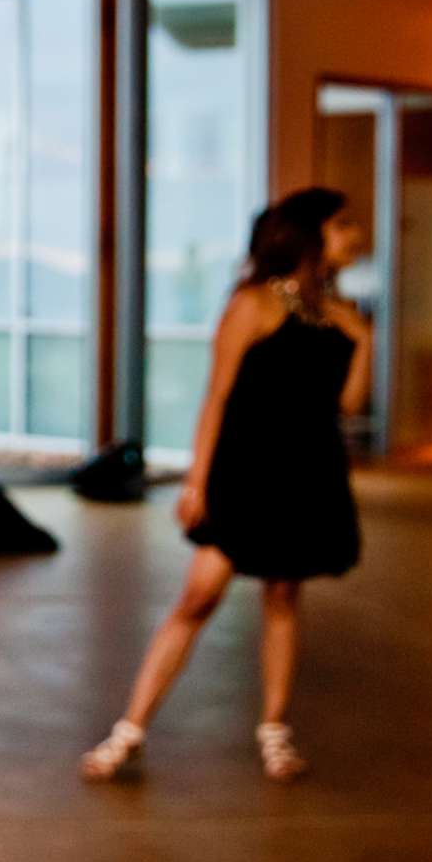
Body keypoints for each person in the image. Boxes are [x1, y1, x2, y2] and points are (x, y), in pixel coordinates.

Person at [80, 187, 370, 784]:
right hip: (247, 474)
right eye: (342, 225)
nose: (354, 236)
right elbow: (215, 397)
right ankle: (128, 730)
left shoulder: (341, 317)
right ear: (309, 234)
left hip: (308, 475)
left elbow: (345, 404)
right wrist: (196, 480)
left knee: (284, 598)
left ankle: (274, 730)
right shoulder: (252, 304)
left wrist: (365, 342)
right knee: (198, 597)